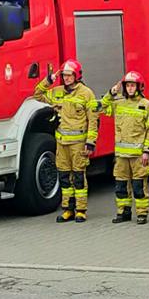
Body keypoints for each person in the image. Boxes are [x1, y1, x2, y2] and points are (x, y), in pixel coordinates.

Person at [34, 60, 97, 223]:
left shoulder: (86, 93)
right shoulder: (57, 91)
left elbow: (93, 120)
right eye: (64, 75)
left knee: (78, 177)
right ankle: (68, 209)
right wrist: (50, 79)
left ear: (77, 76)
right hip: (61, 144)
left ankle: (81, 210)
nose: (67, 78)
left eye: (69, 75)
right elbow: (37, 94)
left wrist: (90, 142)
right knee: (63, 177)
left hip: (78, 144)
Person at [100, 71, 149, 224]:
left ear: (139, 87)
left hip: (138, 155)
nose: (130, 88)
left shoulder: (146, 106)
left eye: (133, 85)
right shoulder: (118, 103)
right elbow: (99, 108)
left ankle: (142, 214)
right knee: (121, 187)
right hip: (121, 156)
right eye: (128, 85)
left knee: (139, 187)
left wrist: (147, 151)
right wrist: (111, 93)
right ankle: (123, 213)